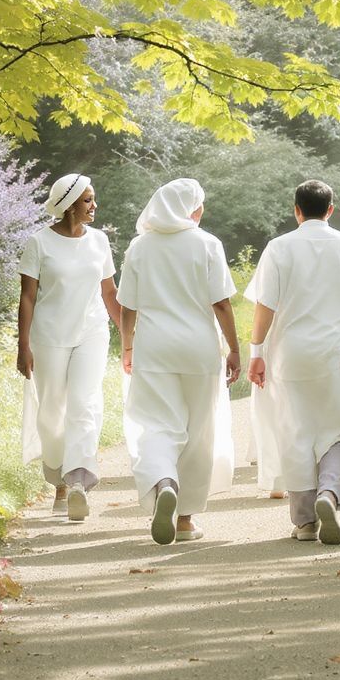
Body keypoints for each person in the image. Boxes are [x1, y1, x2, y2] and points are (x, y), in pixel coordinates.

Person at [246, 180, 340, 545]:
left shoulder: (278, 248)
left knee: (295, 432)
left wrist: (256, 353)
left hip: (290, 354)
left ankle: (305, 522)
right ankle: (330, 493)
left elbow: (265, 306)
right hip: (336, 352)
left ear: (296, 210)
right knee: (336, 431)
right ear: (331, 210)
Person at [118, 179, 240, 545]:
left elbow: (128, 306)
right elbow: (221, 303)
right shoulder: (207, 244)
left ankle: (164, 483)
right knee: (199, 430)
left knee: (155, 425)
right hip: (199, 349)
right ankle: (185, 520)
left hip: (154, 349)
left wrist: (127, 348)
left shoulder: (140, 247)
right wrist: (234, 348)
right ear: (193, 209)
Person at [17, 173, 120, 521]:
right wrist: (23, 345)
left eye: (93, 198)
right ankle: (58, 481)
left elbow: (109, 292)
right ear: (69, 204)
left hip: (91, 332)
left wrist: (130, 337)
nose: (95, 205)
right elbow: (28, 297)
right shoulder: (39, 243)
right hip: (48, 337)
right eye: (88, 200)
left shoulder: (100, 241)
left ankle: (77, 482)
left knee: (84, 404)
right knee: (51, 412)